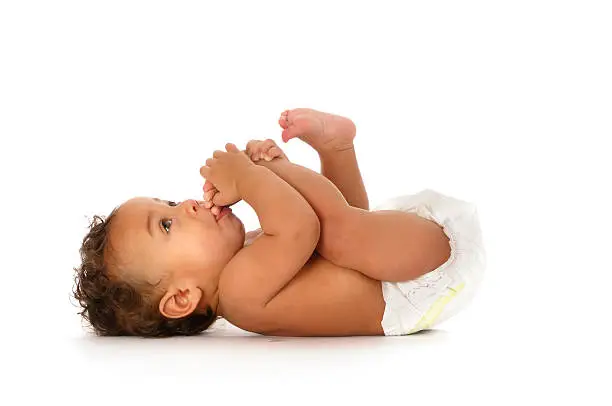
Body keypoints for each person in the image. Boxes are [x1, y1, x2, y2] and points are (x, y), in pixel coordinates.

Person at [73, 108, 486, 337]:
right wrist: (254, 177)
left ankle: (337, 150)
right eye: (166, 225)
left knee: (343, 233)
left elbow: (311, 222)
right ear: (182, 298)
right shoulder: (238, 294)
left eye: (168, 202)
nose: (185, 206)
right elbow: (301, 227)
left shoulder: (249, 253)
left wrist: (271, 171)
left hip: (391, 258)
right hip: (411, 283)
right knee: (339, 235)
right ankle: (337, 150)